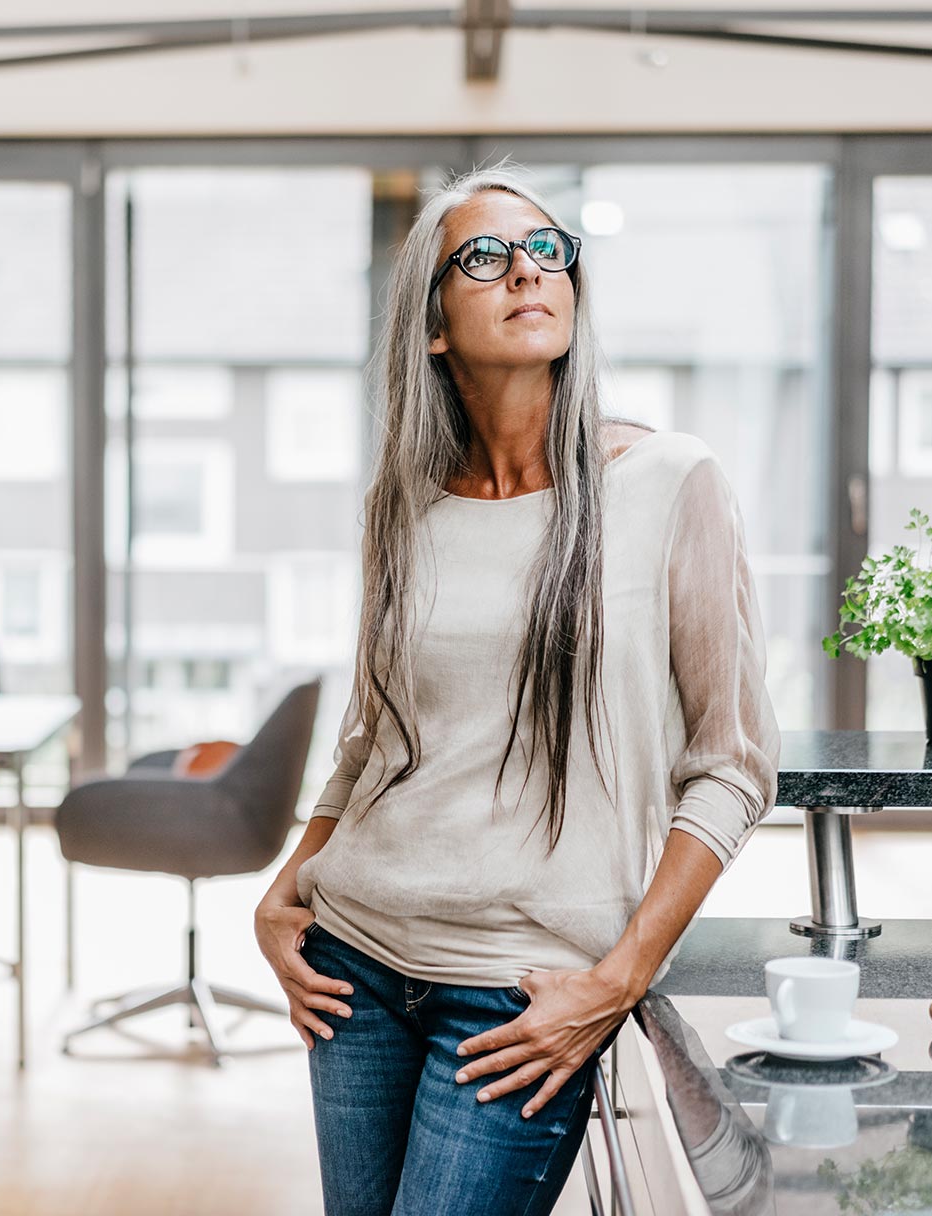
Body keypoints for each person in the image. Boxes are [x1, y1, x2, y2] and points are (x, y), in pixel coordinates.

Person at [252, 163, 780, 1216]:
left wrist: (619, 975)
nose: (526, 271)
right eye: (485, 256)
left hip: (518, 988)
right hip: (354, 965)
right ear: (435, 323)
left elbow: (731, 765)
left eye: (548, 249)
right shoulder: (399, 508)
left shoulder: (671, 482)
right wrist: (286, 884)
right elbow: (375, 732)